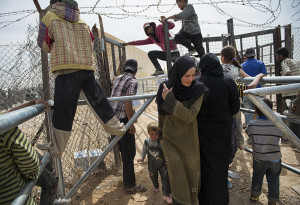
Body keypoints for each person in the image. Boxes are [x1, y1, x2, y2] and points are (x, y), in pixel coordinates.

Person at [37, 0, 126, 157]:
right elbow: (91, 41)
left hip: (66, 69)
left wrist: (58, 48)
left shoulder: (49, 17)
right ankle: (118, 129)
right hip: (86, 68)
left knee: (64, 110)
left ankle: (57, 149)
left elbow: (43, 44)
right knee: (99, 101)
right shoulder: (83, 22)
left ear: (55, 3)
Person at [156, 56, 209, 204]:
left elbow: (189, 116)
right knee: (177, 176)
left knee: (192, 174)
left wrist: (171, 99)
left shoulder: (198, 89)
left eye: (193, 75)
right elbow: (161, 114)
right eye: (187, 75)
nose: (190, 79)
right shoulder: (165, 87)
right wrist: (160, 134)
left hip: (189, 140)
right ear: (178, 74)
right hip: (169, 140)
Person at [197, 53, 240, 205]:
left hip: (201, 134)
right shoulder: (228, 82)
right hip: (222, 134)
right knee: (220, 169)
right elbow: (235, 107)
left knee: (204, 169)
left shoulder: (197, 82)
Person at [0, 99, 57, 205]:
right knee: (50, 182)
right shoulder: (4, 130)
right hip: (15, 195)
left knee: (50, 170)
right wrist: (34, 166)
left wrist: (31, 103)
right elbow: (30, 165)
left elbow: (6, 115)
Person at [110, 59, 147, 194]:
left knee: (123, 151)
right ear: (135, 70)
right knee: (129, 153)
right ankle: (130, 185)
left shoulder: (117, 78)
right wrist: (131, 122)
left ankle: (126, 180)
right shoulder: (133, 81)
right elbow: (127, 102)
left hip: (113, 119)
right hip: (124, 120)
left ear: (125, 68)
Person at [246, 98, 283, 205]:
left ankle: (254, 196)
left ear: (256, 110)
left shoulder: (252, 124)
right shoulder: (278, 123)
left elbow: (250, 138)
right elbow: (285, 139)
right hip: (275, 158)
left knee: (257, 176)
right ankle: (272, 201)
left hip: (259, 157)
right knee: (274, 180)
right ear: (271, 109)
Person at [137, 122, 172, 204]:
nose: (154, 136)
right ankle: (156, 186)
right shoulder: (146, 142)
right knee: (153, 176)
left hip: (162, 164)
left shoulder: (160, 142)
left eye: (156, 134)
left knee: (165, 179)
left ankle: (167, 195)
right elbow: (144, 150)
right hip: (152, 165)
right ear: (148, 133)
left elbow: (165, 151)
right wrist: (142, 157)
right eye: (152, 134)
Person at [241, 48, 267, 127]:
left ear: (246, 55)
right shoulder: (261, 63)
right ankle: (261, 128)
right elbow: (265, 74)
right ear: (254, 54)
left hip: (247, 92)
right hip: (259, 91)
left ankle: (250, 131)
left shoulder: (242, 66)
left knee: (248, 112)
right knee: (261, 111)